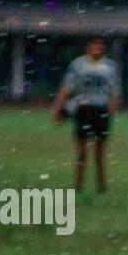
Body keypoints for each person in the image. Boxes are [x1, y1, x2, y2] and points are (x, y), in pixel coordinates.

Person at [52, 36, 121, 193]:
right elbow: (67, 87)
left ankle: (101, 186)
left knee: (99, 153)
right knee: (81, 152)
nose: (97, 47)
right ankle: (78, 185)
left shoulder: (110, 67)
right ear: (88, 46)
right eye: (94, 44)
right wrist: (58, 107)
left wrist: (112, 108)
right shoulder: (78, 65)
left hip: (101, 110)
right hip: (83, 110)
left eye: (100, 44)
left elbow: (114, 91)